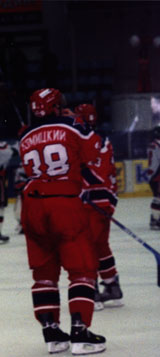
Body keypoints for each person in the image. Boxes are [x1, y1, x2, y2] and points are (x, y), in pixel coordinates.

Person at [18, 88, 105, 355]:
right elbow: (93, 152)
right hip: (64, 202)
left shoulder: (25, 136)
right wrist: (75, 123)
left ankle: (52, 333)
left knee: (43, 273)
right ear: (56, 106)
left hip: (32, 205)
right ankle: (80, 331)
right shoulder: (72, 125)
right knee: (81, 269)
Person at [73, 103, 123, 309]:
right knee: (101, 245)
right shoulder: (102, 139)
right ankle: (112, 287)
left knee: (86, 246)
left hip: (92, 200)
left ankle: (91, 292)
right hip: (106, 199)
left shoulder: (85, 140)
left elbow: (91, 172)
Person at [148, 125, 160, 230]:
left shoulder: (153, 144)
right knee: (157, 198)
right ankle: (155, 220)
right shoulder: (157, 145)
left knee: (157, 197)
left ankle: (155, 218)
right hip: (157, 175)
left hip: (153, 175)